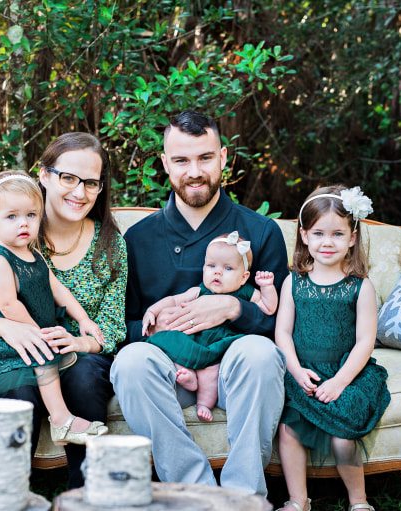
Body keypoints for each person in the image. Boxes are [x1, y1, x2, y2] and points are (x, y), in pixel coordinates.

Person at [110, 110, 289, 506]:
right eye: (182, 160)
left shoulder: (261, 232)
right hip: (172, 373)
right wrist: (156, 327)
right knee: (131, 362)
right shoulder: (138, 238)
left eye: (205, 158)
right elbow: (122, 323)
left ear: (224, 157)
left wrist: (232, 309)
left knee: (259, 353)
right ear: (164, 164)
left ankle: (245, 499)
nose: (195, 171)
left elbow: (282, 326)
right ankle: (196, 496)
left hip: (233, 374)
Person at [0, 133, 126, 488]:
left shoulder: (111, 244)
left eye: (91, 182)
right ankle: (2, 495)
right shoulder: (10, 234)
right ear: (44, 175)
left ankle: (84, 496)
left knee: (84, 376)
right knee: (18, 383)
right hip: (14, 348)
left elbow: (113, 324)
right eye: (68, 178)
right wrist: (6, 327)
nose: (79, 192)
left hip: (77, 353)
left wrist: (81, 342)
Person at [0, 171, 108, 444]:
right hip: (10, 339)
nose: (23, 223)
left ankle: (64, 420)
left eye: (31, 215)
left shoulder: (33, 252)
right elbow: (8, 305)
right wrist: (38, 332)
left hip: (36, 330)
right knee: (41, 358)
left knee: (49, 354)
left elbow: (58, 289)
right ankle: (61, 420)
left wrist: (84, 319)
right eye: (12, 217)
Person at [273, 185, 390, 511]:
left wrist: (340, 381)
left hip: (346, 372)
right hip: (303, 371)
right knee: (289, 430)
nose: (327, 242)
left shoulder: (360, 286)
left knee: (342, 437)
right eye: (319, 233)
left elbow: (366, 340)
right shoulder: (293, 281)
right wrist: (295, 371)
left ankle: (359, 501)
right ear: (304, 235)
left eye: (337, 234)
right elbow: (282, 332)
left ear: (352, 237)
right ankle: (298, 500)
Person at [141, 230, 278, 421]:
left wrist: (267, 287)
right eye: (211, 265)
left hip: (218, 344)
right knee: (173, 347)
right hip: (192, 337)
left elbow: (268, 308)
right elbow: (173, 300)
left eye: (228, 268)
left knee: (211, 371)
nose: (217, 272)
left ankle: (204, 403)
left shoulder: (245, 292)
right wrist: (152, 312)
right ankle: (188, 375)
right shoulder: (199, 290)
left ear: (244, 277)